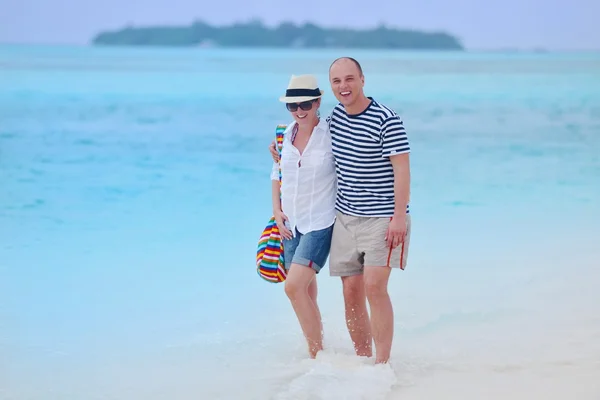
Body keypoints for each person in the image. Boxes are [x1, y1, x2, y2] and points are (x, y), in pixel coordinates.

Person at [269, 57, 411, 364]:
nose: (343, 86)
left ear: (362, 79)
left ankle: (381, 365)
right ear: (330, 88)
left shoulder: (386, 119)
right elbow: (289, 162)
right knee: (350, 291)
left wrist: (399, 216)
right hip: (344, 217)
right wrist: (278, 153)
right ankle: (361, 358)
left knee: (374, 287)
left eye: (349, 79)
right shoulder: (331, 121)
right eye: (337, 81)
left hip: (380, 217)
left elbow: (402, 169)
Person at [270, 74, 337, 358]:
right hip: (290, 224)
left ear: (318, 102)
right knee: (306, 291)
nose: (299, 111)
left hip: (320, 222)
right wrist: (276, 212)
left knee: (293, 287)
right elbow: (277, 173)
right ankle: (320, 348)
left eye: (306, 104)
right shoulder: (284, 134)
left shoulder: (332, 133)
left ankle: (316, 354)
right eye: (293, 105)